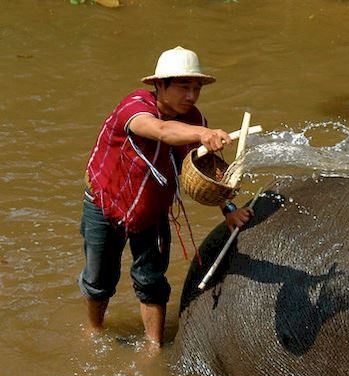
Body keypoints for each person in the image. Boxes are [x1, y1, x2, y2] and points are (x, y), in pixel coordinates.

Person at [78, 46, 252, 347]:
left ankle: (153, 347)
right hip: (105, 203)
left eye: (196, 88)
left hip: (152, 209)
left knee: (151, 280)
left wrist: (229, 209)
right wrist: (199, 134)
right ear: (159, 85)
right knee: (99, 278)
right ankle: (94, 330)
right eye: (184, 87)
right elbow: (160, 130)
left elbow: (208, 173)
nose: (192, 96)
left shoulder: (194, 119)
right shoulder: (134, 107)